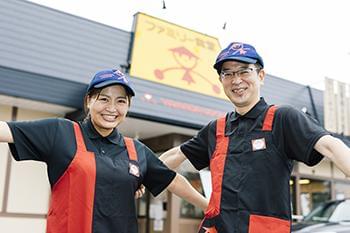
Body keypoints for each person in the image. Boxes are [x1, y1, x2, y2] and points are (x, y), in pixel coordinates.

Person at [159, 42, 350, 233]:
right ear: (221, 80)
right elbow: (175, 155)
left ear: (261, 76)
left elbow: (331, 146)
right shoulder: (216, 129)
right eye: (228, 73)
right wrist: (137, 175)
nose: (236, 80)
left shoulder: (281, 118)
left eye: (244, 71)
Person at [0, 69, 208, 233]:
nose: (111, 108)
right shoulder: (61, 132)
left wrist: (209, 206)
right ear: (89, 100)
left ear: (127, 107)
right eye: (104, 98)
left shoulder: (135, 151)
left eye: (120, 101)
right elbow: (5, 130)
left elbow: (173, 180)